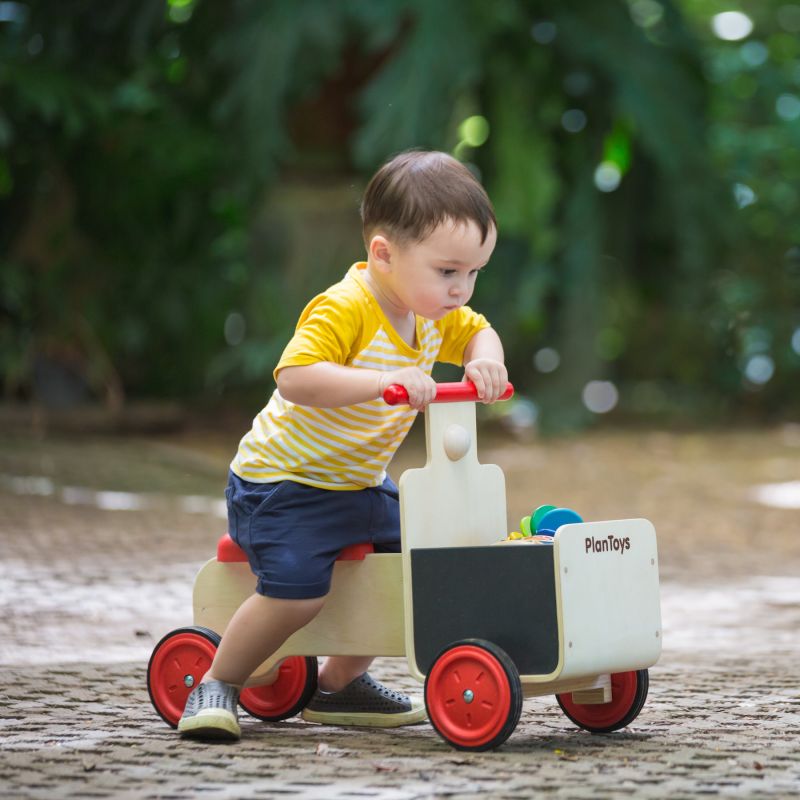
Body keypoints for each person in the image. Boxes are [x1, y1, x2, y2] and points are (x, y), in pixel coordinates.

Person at [178, 150, 508, 740]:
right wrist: (384, 382)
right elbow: (295, 377)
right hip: (281, 486)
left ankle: (337, 685)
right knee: (298, 597)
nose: (462, 290)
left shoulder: (434, 312)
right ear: (383, 254)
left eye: (474, 274)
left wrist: (487, 362)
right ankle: (218, 681)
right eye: (448, 271)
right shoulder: (348, 307)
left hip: (357, 485)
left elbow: (479, 330)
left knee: (429, 564)